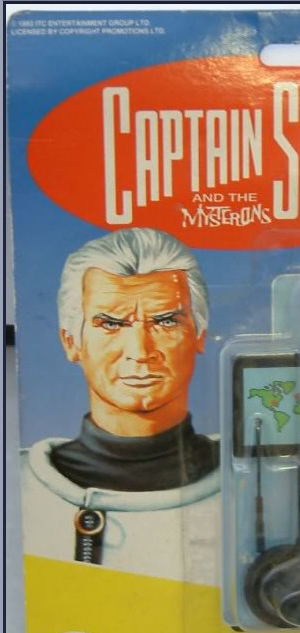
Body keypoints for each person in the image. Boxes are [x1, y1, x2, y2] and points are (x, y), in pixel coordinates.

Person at [21, 228, 220, 582]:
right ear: (71, 341)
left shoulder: (252, 478)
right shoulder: (22, 485)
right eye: (111, 324)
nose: (140, 351)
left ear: (199, 335)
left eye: (166, 321)